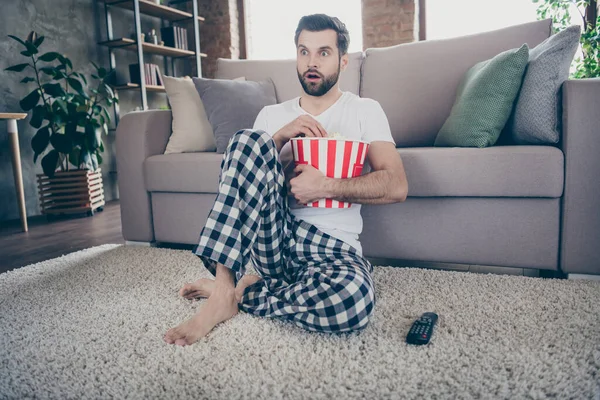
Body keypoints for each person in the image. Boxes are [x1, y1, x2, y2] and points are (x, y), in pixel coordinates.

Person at [164, 14, 408, 346]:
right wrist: (276, 140)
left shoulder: (365, 110)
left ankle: (244, 293)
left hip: (333, 249)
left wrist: (324, 185)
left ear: (343, 60)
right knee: (249, 139)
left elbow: (396, 184)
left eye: (323, 52)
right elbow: (236, 175)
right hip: (273, 241)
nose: (311, 62)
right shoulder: (272, 115)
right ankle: (223, 291)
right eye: (303, 51)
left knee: (352, 301)